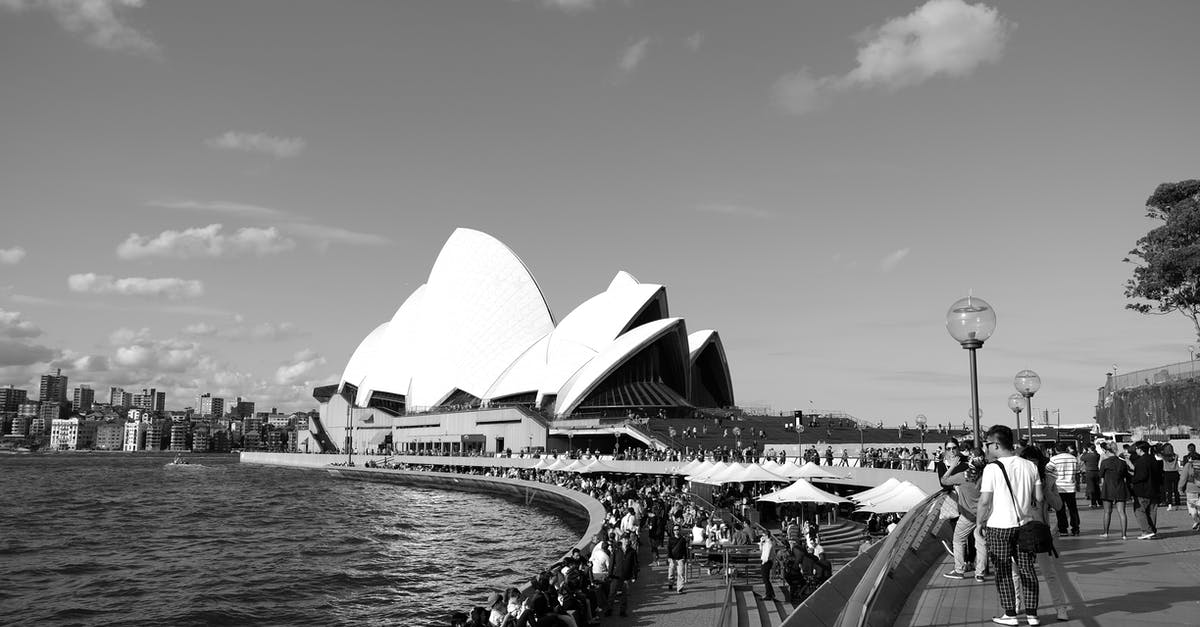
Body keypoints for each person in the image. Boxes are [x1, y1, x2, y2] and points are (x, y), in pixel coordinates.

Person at [977, 424, 1042, 627]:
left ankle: (1010, 614)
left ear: (996, 444)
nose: (986, 448)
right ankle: (1032, 615)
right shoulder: (1030, 466)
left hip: (999, 526)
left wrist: (979, 523)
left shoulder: (991, 468)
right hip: (1025, 524)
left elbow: (985, 501)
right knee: (1027, 569)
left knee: (1003, 570)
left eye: (987, 444)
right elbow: (1039, 497)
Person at [943, 450, 989, 582]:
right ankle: (980, 573)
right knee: (981, 543)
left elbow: (944, 480)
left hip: (967, 515)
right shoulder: (986, 476)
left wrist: (952, 466)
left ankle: (959, 570)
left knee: (958, 540)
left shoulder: (962, 476)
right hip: (983, 515)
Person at [1129, 440, 1162, 539]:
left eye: (1136, 449)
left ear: (1140, 449)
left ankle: (1147, 530)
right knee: (1152, 511)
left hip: (1143, 490)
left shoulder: (1140, 461)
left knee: (1139, 510)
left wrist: (1132, 479)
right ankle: (1152, 530)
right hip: (1154, 489)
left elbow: (1141, 476)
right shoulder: (1154, 460)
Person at [1047, 442, 1081, 536]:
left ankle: (1063, 529)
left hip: (1059, 487)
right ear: (1066, 448)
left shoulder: (1054, 459)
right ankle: (1075, 528)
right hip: (1071, 487)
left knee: (1060, 509)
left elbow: (1048, 471)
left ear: (1056, 450)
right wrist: (1077, 484)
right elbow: (1077, 472)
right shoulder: (1073, 458)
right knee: (1072, 508)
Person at [608, 534, 638, 617]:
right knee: (612, 593)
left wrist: (634, 575)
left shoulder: (632, 551)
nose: (626, 540)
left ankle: (622, 611)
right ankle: (609, 609)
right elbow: (611, 563)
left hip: (626, 576)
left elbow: (635, 565)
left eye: (627, 539)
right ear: (621, 540)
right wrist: (610, 574)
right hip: (616, 576)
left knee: (624, 595)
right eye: (625, 539)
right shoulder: (616, 550)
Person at [1180, 450, 1200, 532]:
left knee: (1192, 507)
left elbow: (1183, 478)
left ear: (1190, 458)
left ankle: (1197, 521)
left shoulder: (1188, 465)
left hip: (1191, 489)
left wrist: (1180, 488)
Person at [666, 524, 690, 593]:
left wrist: (685, 558)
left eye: (678, 529)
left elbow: (685, 549)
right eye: (675, 530)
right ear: (673, 531)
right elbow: (668, 549)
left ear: (680, 530)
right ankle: (670, 582)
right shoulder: (671, 539)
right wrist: (669, 557)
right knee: (671, 573)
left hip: (680, 559)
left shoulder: (683, 540)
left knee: (680, 573)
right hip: (672, 559)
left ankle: (680, 588)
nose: (676, 531)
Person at [1079, 442, 1102, 509]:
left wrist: (1085, 452)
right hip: (1096, 472)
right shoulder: (1097, 455)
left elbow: (1081, 458)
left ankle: (1093, 503)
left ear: (1089, 448)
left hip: (1089, 472)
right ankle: (1100, 502)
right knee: (1097, 488)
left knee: (1091, 488)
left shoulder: (1087, 455)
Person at [758, 532, 777, 601]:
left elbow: (768, 553)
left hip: (766, 562)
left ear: (766, 536)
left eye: (763, 535)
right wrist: (761, 542)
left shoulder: (769, 543)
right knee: (765, 579)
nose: (762, 537)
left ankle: (769, 594)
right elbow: (761, 550)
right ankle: (770, 593)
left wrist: (764, 561)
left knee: (766, 579)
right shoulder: (766, 543)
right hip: (766, 561)